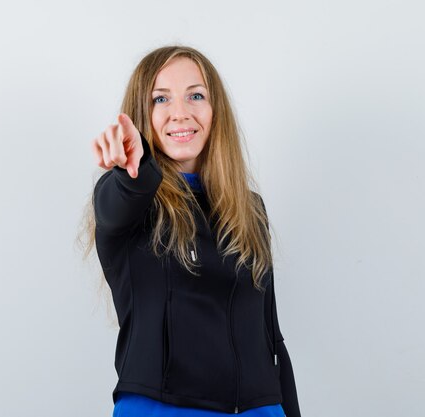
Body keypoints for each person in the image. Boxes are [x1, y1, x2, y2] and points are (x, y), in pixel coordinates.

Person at [82, 45, 301, 416]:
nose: (180, 113)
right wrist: (134, 171)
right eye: (160, 99)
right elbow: (114, 203)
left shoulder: (249, 209)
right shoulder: (131, 197)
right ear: (139, 115)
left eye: (196, 96)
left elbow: (270, 336)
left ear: (216, 111)